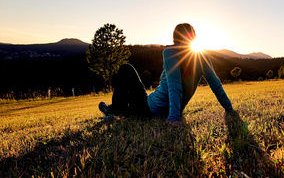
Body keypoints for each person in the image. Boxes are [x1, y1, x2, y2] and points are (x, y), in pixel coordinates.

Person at [99, 23, 233, 123]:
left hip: (151, 108)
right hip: (165, 107)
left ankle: (113, 110)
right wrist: (229, 109)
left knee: (125, 68)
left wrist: (173, 118)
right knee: (131, 107)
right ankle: (115, 109)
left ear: (175, 38)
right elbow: (216, 85)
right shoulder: (202, 57)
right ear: (193, 38)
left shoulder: (170, 53)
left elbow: (174, 87)